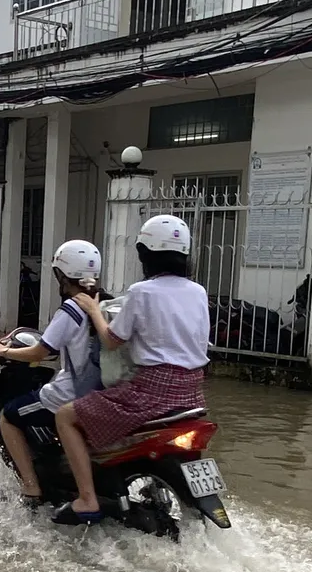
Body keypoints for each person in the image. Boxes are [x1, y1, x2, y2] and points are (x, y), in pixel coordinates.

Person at [52, 214, 210, 526]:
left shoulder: (142, 291)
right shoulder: (198, 291)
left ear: (146, 255)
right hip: (192, 394)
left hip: (151, 392)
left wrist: (95, 310)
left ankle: (86, 499)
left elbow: (111, 341)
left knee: (66, 416)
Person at [0, 240, 103, 508]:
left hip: (69, 394)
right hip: (104, 391)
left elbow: (39, 353)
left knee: (9, 415)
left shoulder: (71, 309)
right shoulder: (102, 303)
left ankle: (30, 487)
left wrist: (2, 351)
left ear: (61, 275)